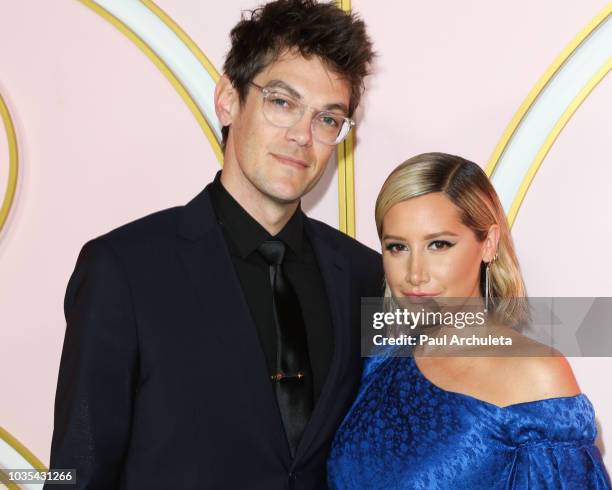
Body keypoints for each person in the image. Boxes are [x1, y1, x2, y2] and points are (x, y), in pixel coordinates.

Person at [46, 1, 381, 488]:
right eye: (282, 102)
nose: (302, 137)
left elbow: (481, 340)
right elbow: (74, 476)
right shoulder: (124, 270)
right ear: (228, 98)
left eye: (327, 119)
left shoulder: (362, 274)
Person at [327, 152, 611, 489]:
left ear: (488, 244)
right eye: (398, 247)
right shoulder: (382, 359)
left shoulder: (535, 373)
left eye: (439, 244)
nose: (415, 274)